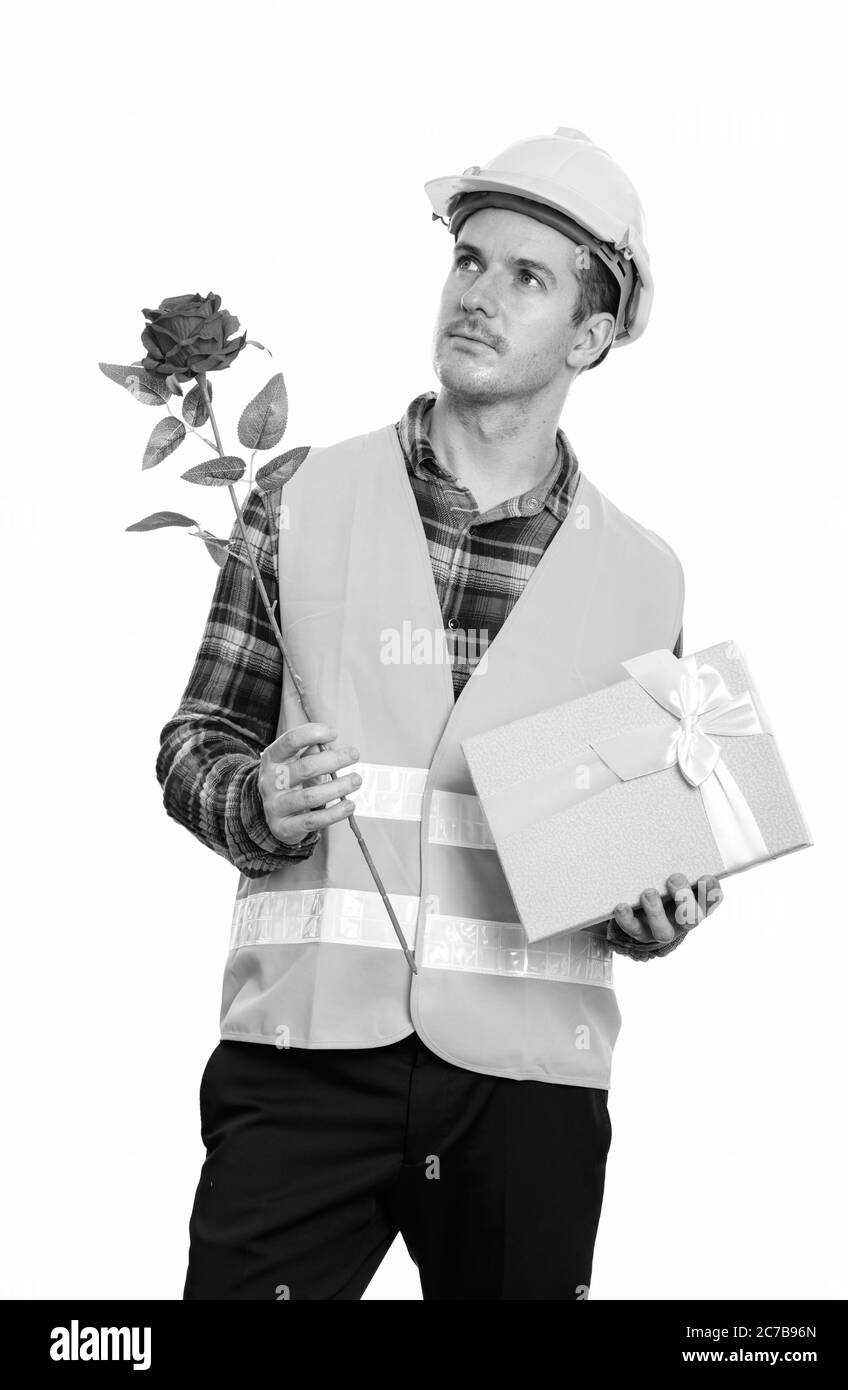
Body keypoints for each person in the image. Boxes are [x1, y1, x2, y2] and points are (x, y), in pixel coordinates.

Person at [157, 127, 724, 1301]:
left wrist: (653, 913)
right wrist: (253, 798)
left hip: (527, 1087)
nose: (481, 296)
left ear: (592, 333)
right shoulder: (297, 498)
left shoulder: (647, 578)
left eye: (529, 277)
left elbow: (623, 858)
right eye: (470, 261)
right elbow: (193, 746)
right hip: (303, 1060)